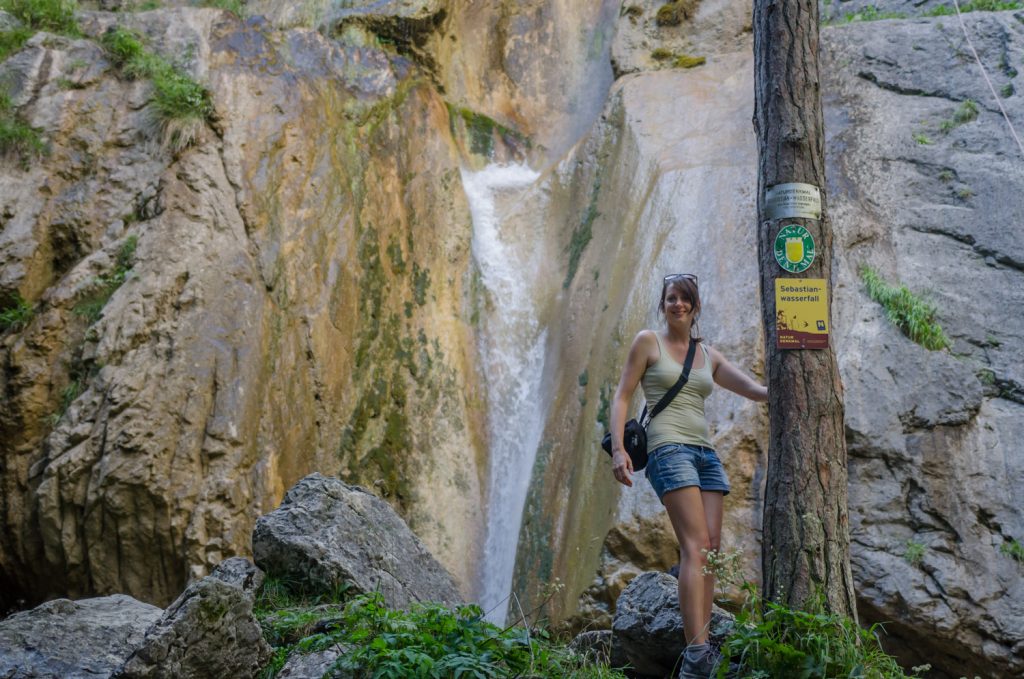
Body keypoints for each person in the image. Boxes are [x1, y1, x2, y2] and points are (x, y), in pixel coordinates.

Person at [609, 273, 767, 679]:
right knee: (695, 547)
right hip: (668, 450)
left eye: (684, 298)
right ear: (663, 306)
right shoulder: (648, 342)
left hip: (705, 454)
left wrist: (782, 385)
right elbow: (623, 394)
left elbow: (751, 388)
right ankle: (696, 656)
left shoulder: (707, 355)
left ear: (695, 307)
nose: (677, 304)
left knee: (712, 548)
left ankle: (704, 641)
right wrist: (620, 450)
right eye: (670, 298)